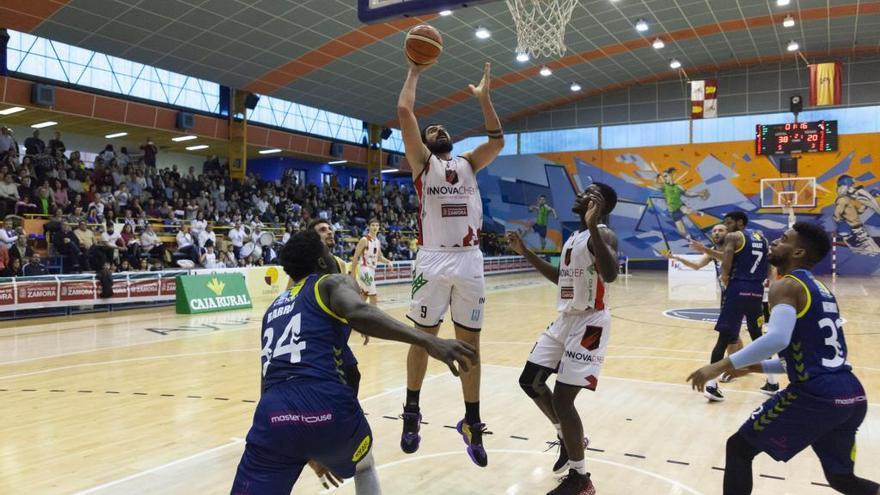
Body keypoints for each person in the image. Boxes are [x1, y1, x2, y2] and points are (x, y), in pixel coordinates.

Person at [230, 230, 476, 495]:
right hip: (324, 405)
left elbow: (266, 380)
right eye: (327, 249)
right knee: (364, 465)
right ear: (323, 261)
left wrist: (307, 450)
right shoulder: (330, 282)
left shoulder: (273, 309)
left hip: (271, 416)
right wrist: (429, 341)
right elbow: (359, 312)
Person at [687, 222, 879, 495]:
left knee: (739, 448)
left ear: (798, 252)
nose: (775, 242)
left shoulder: (786, 285)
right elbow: (812, 357)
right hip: (851, 394)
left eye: (784, 239)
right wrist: (756, 367)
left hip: (816, 395)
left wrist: (719, 365)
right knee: (842, 480)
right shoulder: (821, 289)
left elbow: (778, 339)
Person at [397, 59, 504, 466]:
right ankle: (411, 411)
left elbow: (497, 141)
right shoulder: (423, 164)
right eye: (431, 129)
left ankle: (472, 421)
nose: (437, 127)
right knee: (422, 338)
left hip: (470, 261)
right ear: (425, 142)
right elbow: (406, 112)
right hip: (433, 261)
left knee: (470, 346)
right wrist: (416, 70)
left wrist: (486, 100)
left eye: (441, 128)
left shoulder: (469, 163)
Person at [507, 183, 618, 495]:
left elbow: (609, 275)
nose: (580, 194)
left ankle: (581, 479)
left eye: (589, 192)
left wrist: (595, 225)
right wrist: (525, 251)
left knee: (562, 398)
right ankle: (567, 439)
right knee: (530, 381)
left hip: (591, 322)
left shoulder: (603, 234)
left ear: (599, 203)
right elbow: (561, 278)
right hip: (565, 319)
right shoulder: (574, 237)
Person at [699, 211, 769, 402]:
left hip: (738, 288)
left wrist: (725, 279)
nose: (726, 227)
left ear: (740, 222)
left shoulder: (733, 236)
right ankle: (772, 383)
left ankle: (711, 385)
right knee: (759, 338)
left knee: (723, 339)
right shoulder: (761, 238)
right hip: (756, 290)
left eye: (729, 223)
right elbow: (768, 265)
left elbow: (726, 264)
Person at [351, 219, 395, 305]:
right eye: (373, 225)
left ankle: (353, 312)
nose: (375, 227)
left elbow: (379, 257)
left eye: (377, 225)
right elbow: (355, 256)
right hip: (364, 269)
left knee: (364, 295)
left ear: (379, 227)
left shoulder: (377, 241)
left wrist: (388, 262)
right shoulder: (364, 240)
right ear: (369, 227)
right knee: (373, 297)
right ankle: (372, 317)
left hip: (372, 270)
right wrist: (353, 273)